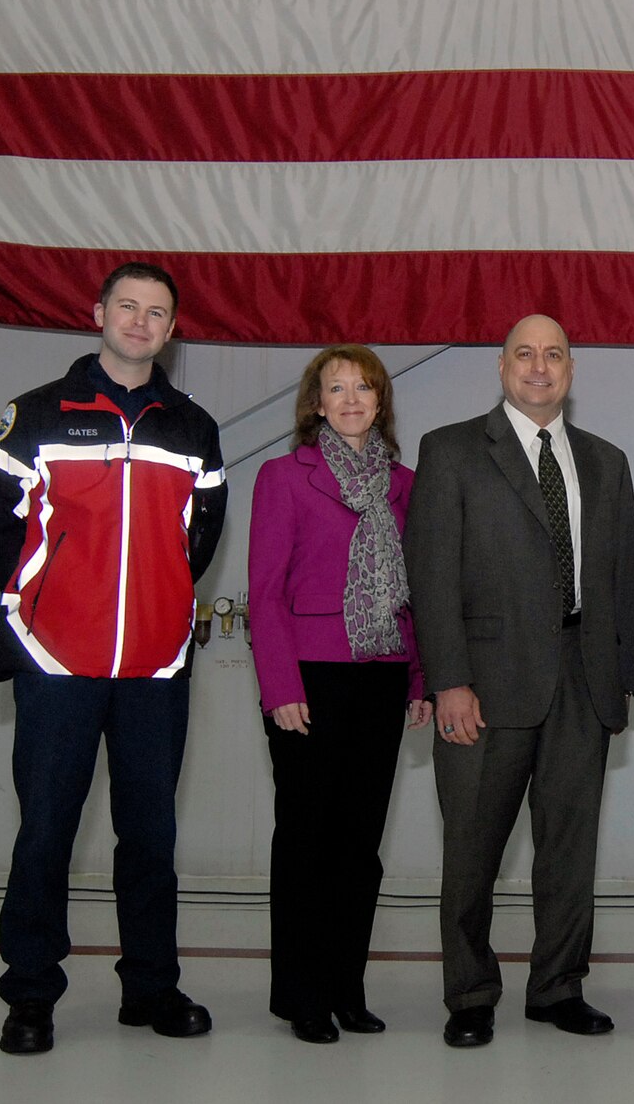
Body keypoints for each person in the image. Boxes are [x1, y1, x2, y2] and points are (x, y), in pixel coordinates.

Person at [0, 261, 227, 1055]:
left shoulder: (192, 426)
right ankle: (32, 995)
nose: (141, 321)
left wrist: (160, 609)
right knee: (46, 830)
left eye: (157, 312)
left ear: (172, 329)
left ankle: (150, 986)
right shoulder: (38, 413)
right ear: (99, 313)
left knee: (149, 835)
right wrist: (45, 607)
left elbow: (200, 538)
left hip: (154, 669)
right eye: (128, 306)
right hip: (58, 665)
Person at [404, 314, 634, 1050]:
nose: (539, 367)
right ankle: (471, 991)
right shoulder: (450, 451)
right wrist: (448, 680)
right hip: (484, 682)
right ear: (502, 367)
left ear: (571, 368)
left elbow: (624, 577)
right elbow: (432, 576)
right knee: (472, 848)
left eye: (553, 355)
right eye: (524, 354)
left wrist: (621, 679)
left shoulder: (606, 460)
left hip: (583, 679)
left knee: (570, 849)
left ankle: (558, 986)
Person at [248, 345, 433, 1044]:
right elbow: (264, 594)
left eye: (364, 387)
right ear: (316, 403)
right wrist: (279, 687)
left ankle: (346, 987)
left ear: (381, 402)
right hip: (310, 677)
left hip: (382, 674)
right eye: (337, 387)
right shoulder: (283, 477)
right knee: (306, 839)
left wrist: (417, 676)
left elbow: (414, 595)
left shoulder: (405, 485)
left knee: (360, 844)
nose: (352, 398)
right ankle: (299, 992)